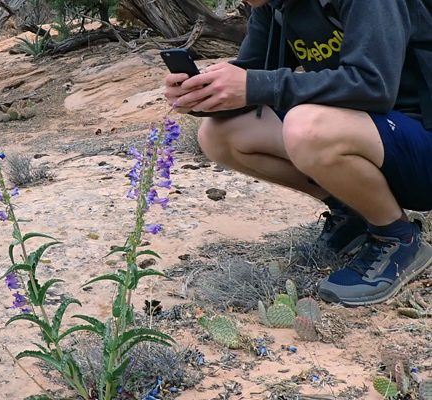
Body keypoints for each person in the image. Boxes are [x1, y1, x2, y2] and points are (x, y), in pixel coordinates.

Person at [163, 0, 432, 306]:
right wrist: (203, 95)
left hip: (422, 144)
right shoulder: (274, 6)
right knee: (219, 135)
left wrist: (256, 84)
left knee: (305, 127)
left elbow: (374, 85)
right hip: (374, 138)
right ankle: (355, 214)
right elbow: (253, 79)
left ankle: (397, 237)